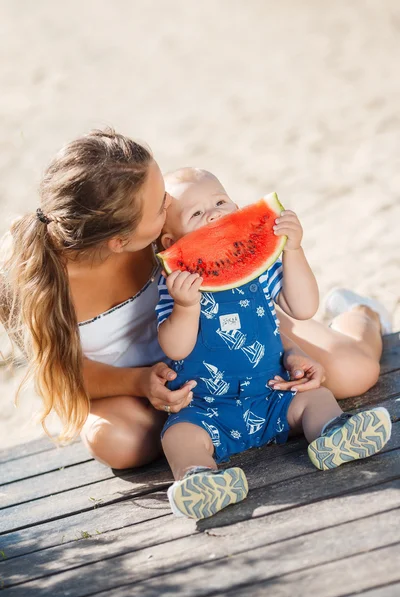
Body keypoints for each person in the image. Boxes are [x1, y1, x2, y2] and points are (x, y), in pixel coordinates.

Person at [0, 128, 391, 475]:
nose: (169, 206)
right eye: (159, 207)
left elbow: (234, 274)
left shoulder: (159, 230)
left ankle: (360, 312)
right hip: (135, 386)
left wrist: (287, 349)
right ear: (119, 241)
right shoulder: (30, 282)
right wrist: (139, 382)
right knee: (121, 443)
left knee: (354, 373)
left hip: (226, 333)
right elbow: (64, 374)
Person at [156, 167, 392, 519]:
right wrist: (186, 306)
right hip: (205, 409)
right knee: (178, 436)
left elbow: (303, 307)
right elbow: (175, 348)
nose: (214, 214)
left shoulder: (261, 269)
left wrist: (293, 250)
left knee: (316, 396)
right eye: (196, 213)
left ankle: (334, 434)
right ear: (169, 244)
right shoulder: (175, 286)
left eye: (220, 201)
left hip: (274, 392)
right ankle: (199, 479)